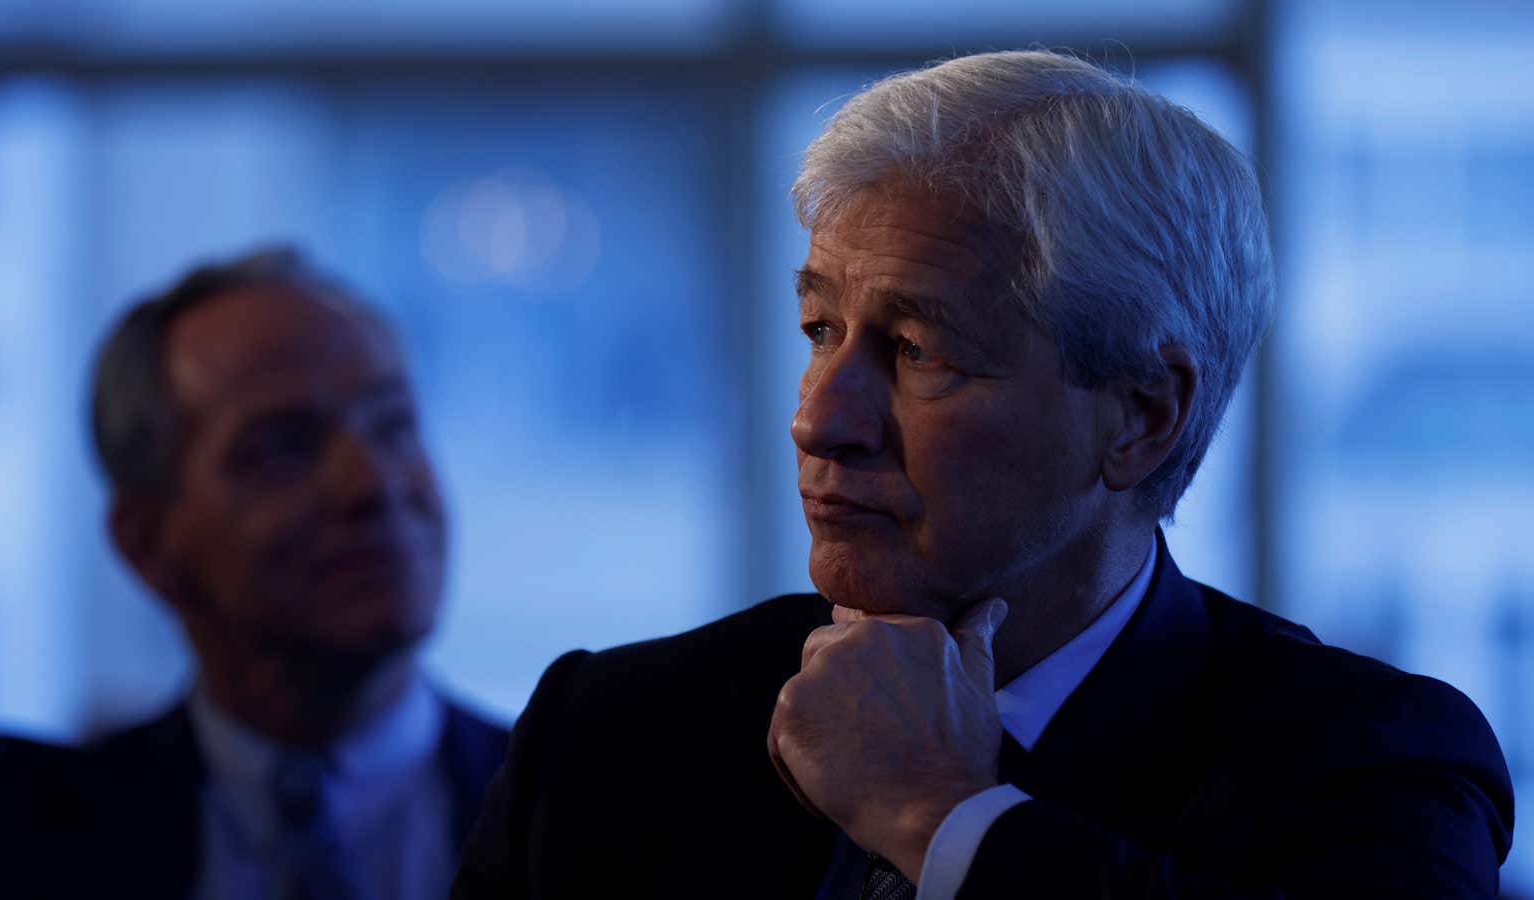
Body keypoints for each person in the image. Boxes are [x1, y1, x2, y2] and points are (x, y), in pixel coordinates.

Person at [453, 50, 1513, 899]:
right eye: (820, 328)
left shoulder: (1369, 767)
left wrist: (945, 820)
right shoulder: (613, 733)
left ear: (1143, 415)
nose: (818, 417)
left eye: (917, 351)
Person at [0, 249, 508, 899]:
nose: (372, 483)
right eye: (284, 447)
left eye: (394, 425)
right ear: (146, 544)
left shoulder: (593, 819)